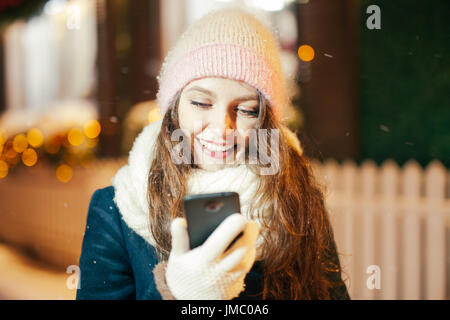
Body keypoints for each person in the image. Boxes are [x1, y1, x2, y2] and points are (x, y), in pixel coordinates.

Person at [76, 8, 350, 300]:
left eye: (245, 110)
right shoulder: (116, 209)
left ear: (266, 120)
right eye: (201, 103)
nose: (222, 128)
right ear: (174, 107)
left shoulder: (297, 197)